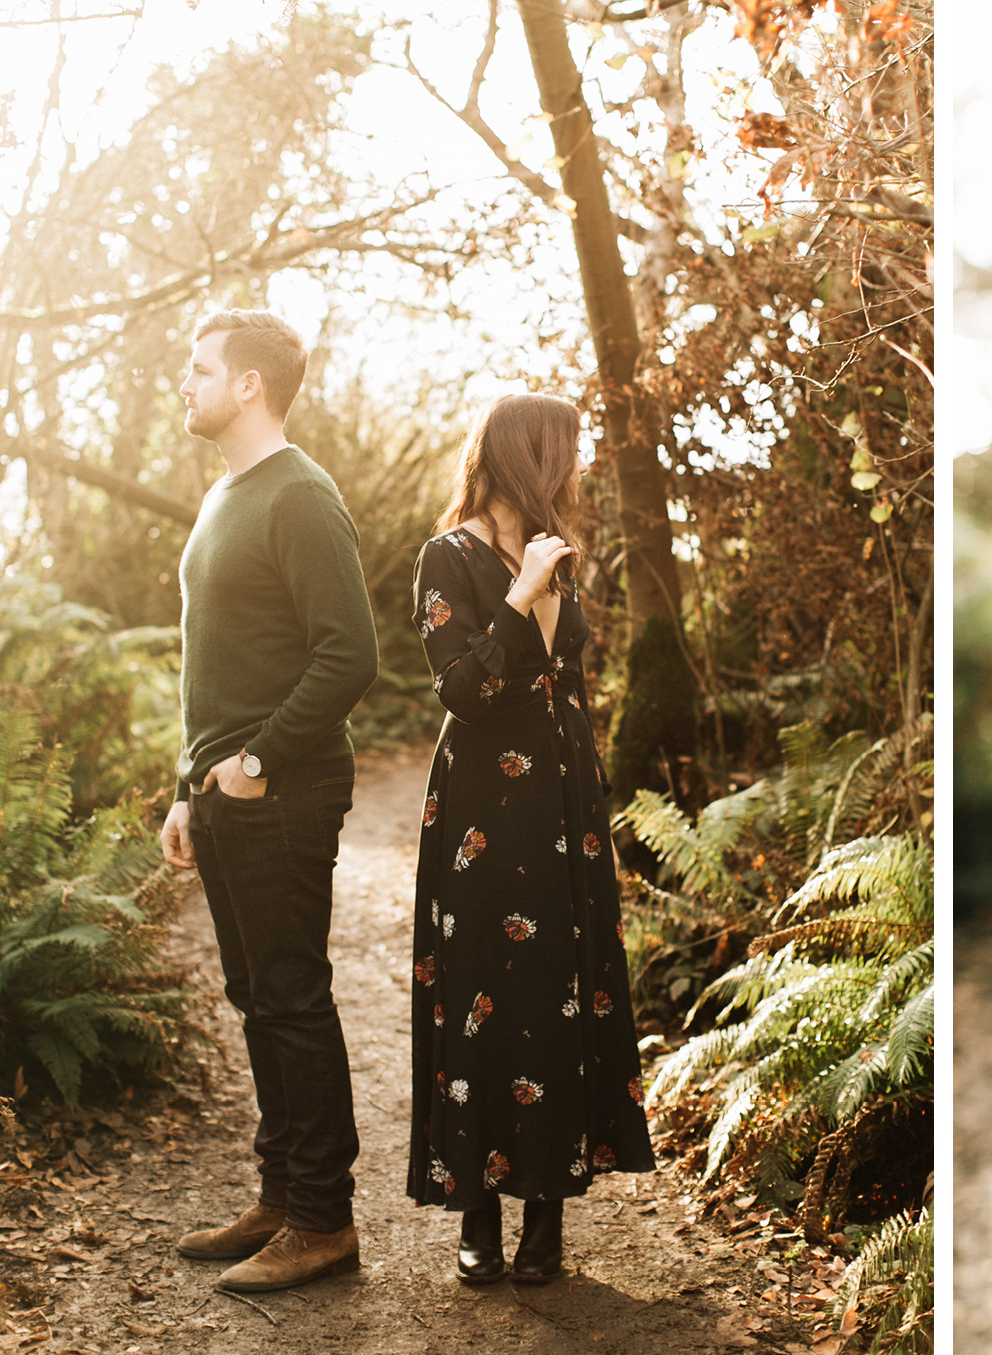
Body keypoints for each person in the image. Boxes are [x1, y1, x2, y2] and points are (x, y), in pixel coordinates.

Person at [405, 393, 655, 1285]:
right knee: (475, 984)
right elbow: (463, 691)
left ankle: (545, 1204)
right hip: (476, 806)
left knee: (555, 992)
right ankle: (476, 1206)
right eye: (569, 453)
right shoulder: (448, 556)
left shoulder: (560, 557)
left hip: (558, 805)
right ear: (530, 456)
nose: (578, 470)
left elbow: (566, 676)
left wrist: (588, 793)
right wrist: (520, 595)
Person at [158, 309, 379, 1292]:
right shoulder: (221, 498)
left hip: (282, 791)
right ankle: (283, 1193)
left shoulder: (301, 495)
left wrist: (253, 762)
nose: (186, 382)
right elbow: (210, 661)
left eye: (200, 369)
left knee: (291, 997)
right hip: (221, 793)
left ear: (249, 383)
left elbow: (350, 653)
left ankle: (325, 1219)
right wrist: (184, 787)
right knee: (258, 998)